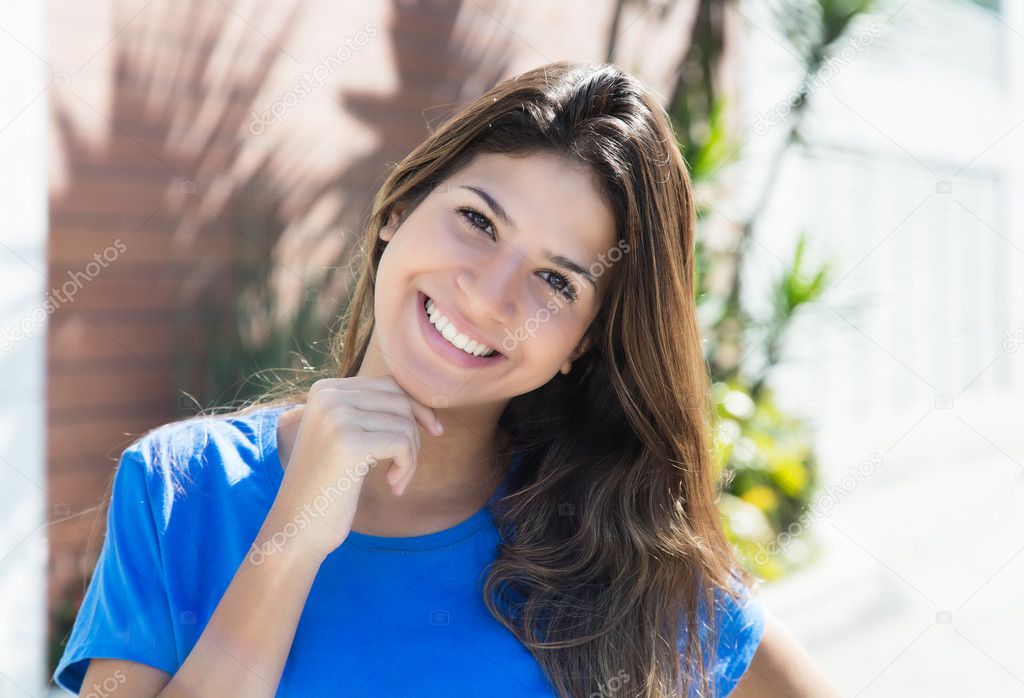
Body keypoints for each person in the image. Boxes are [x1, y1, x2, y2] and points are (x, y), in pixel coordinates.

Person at [53, 60, 839, 697]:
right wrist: (292, 539)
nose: (489, 295)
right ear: (399, 205)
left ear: (582, 345)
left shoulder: (621, 557)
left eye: (557, 282)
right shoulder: (176, 489)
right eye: (477, 220)